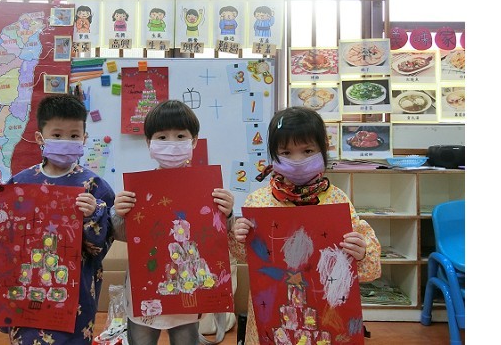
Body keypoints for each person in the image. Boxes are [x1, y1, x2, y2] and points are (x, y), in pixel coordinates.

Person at [0, 93, 115, 344]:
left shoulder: (94, 185)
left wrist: (93, 214)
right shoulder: (20, 183)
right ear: (40, 138)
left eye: (74, 136)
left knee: (73, 337)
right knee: (28, 336)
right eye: (57, 135)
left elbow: (101, 244)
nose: (66, 141)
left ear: (84, 138)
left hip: (73, 289)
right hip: (24, 283)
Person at [229, 106, 381, 345]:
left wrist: (361, 252)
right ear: (274, 155)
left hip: (324, 313)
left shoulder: (337, 200)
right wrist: (239, 236)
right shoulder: (258, 202)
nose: (297, 160)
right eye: (286, 152)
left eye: (308, 150)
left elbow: (367, 268)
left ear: (323, 149)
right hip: (273, 313)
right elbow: (246, 257)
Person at [111, 99, 236, 345]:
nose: (172, 143)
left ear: (194, 141)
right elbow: (123, 234)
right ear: (149, 142)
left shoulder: (208, 189)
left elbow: (222, 236)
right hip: (145, 289)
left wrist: (228, 214)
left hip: (186, 291)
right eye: (162, 137)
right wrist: (119, 213)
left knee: (186, 339)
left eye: (180, 136)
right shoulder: (138, 192)